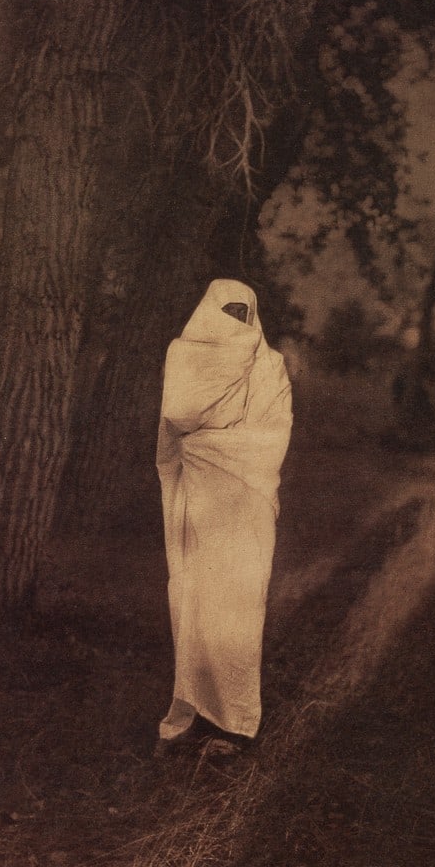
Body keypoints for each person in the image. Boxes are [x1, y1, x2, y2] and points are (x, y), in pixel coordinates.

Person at [155, 279, 292, 755]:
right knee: (193, 603)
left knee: (237, 608)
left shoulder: (270, 367)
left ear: (254, 316)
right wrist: (214, 442)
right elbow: (177, 413)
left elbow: (269, 443)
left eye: (243, 312)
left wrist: (209, 444)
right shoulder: (184, 355)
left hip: (247, 504)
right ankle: (193, 710)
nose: (234, 322)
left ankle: (234, 723)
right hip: (201, 505)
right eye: (225, 311)